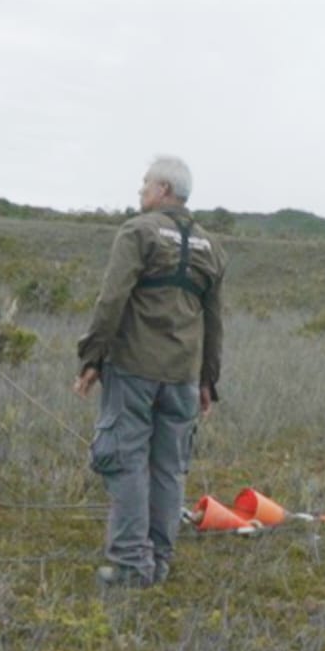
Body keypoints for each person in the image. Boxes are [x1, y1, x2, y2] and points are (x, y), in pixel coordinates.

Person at [73, 155, 227, 588]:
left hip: (134, 370)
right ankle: (157, 560)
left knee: (126, 463)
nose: (139, 190)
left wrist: (92, 358)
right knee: (168, 469)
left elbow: (111, 300)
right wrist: (207, 380)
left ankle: (129, 566)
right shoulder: (212, 247)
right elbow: (214, 319)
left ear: (163, 190)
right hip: (183, 376)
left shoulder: (137, 232)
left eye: (144, 183)